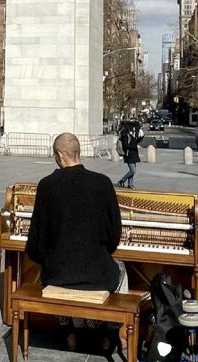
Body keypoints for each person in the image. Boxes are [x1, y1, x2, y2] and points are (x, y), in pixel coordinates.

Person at [26, 133, 128, 349]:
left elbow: (35, 242)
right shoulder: (102, 183)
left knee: (59, 268)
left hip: (57, 274)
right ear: (78, 152)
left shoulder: (47, 185)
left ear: (59, 155)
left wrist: (49, 257)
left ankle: (70, 330)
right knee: (121, 269)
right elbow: (114, 236)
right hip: (97, 274)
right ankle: (107, 333)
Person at [116, 120, 141, 189]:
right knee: (133, 170)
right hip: (129, 154)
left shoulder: (131, 135)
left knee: (133, 171)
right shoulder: (125, 135)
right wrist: (135, 147)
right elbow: (125, 145)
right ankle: (122, 180)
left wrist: (140, 137)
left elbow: (135, 141)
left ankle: (130, 184)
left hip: (133, 154)